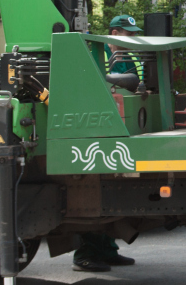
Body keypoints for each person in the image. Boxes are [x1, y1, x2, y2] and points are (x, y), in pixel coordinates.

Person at [74, 17, 142, 272]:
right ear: (114, 32)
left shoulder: (126, 56)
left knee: (110, 191)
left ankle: (107, 250)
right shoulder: (97, 51)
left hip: (121, 123)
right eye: (128, 33)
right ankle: (85, 254)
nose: (132, 38)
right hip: (99, 125)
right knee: (94, 193)